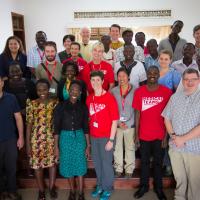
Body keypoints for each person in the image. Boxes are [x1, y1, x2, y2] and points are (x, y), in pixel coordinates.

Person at [132, 66, 172, 200]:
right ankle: (144, 186)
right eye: (150, 73)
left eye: (155, 73)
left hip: (160, 136)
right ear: (146, 75)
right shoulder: (139, 91)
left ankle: (158, 187)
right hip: (143, 135)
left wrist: (166, 136)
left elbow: (169, 116)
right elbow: (137, 114)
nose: (152, 75)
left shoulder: (166, 92)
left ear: (159, 75)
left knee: (158, 163)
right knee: (144, 162)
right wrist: (136, 135)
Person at [162, 68, 200, 200]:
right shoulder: (175, 97)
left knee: (195, 183)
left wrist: (183, 138)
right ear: (182, 81)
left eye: (193, 79)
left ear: (198, 80)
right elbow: (167, 118)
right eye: (186, 79)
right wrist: (173, 136)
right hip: (176, 147)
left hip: (194, 149)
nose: (189, 82)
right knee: (180, 179)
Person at [54, 80, 90, 200]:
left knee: (80, 166)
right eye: (72, 89)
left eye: (77, 90)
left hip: (79, 138)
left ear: (80, 92)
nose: (74, 92)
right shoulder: (60, 106)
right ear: (68, 91)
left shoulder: (83, 107)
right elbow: (57, 128)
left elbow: (86, 127)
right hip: (65, 138)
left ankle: (80, 193)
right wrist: (56, 147)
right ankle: (72, 191)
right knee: (68, 166)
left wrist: (88, 145)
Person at [86, 70, 119, 200]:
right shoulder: (89, 98)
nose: (95, 82)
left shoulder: (109, 98)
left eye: (98, 80)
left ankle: (107, 188)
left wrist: (111, 140)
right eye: (93, 80)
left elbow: (114, 120)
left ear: (103, 81)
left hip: (106, 137)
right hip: (94, 137)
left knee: (106, 164)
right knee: (97, 163)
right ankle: (99, 185)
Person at [26, 79, 58, 200]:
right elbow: (28, 125)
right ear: (36, 90)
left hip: (51, 139)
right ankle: (41, 191)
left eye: (44, 89)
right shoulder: (31, 103)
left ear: (48, 89)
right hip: (36, 140)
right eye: (39, 90)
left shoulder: (55, 103)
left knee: (52, 165)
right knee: (37, 166)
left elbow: (57, 123)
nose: (42, 92)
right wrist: (28, 145)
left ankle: (51, 188)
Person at [0, 75, 24, 200]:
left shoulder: (11, 98)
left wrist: (21, 137)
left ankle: (12, 191)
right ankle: (2, 191)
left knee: (11, 167)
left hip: (10, 138)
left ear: (2, 83)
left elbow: (18, 118)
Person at [111, 68, 135, 178]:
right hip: (117, 124)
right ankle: (118, 168)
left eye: (124, 76)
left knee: (130, 147)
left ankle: (129, 169)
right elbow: (111, 109)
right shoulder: (113, 91)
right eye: (119, 76)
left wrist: (128, 123)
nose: (121, 78)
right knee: (117, 147)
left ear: (128, 77)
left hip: (130, 124)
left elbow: (136, 110)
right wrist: (119, 122)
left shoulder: (135, 90)